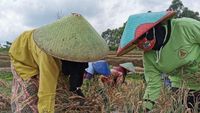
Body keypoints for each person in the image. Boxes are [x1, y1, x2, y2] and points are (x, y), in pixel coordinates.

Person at [9, 13, 109, 113]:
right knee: (30, 96)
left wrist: (76, 92)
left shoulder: (73, 49)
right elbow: (46, 93)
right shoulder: (49, 56)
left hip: (37, 53)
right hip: (21, 58)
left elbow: (75, 76)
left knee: (59, 86)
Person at [117, 11, 200, 111]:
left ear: (153, 29)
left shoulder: (185, 27)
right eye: (136, 41)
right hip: (181, 87)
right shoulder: (149, 56)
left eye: (142, 37)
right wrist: (144, 109)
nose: (141, 43)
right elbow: (153, 85)